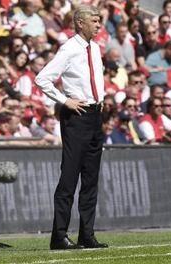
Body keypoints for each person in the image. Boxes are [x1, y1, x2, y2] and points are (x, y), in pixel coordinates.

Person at [35, 5, 107, 250]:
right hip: (78, 115)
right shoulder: (69, 48)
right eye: (94, 21)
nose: (98, 25)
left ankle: (87, 234)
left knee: (90, 179)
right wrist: (65, 100)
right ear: (80, 23)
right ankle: (59, 236)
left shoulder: (95, 48)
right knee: (69, 178)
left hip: (95, 115)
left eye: (99, 20)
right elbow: (42, 78)